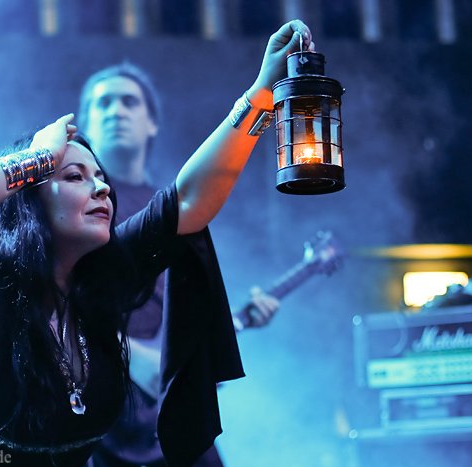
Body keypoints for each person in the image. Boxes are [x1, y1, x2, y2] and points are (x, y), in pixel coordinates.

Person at [0, 19, 314, 467]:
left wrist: (262, 94)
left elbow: (190, 199)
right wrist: (37, 159)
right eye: (75, 176)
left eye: (101, 179)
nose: (101, 188)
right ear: (31, 200)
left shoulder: (101, 284)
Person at [78, 40, 288, 467]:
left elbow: (191, 196)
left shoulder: (169, 210)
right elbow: (52, 299)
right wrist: (129, 356)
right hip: (102, 417)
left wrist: (231, 324)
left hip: (170, 413)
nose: (115, 112)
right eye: (103, 104)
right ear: (83, 126)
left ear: (152, 122)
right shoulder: (76, 209)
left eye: (129, 102)